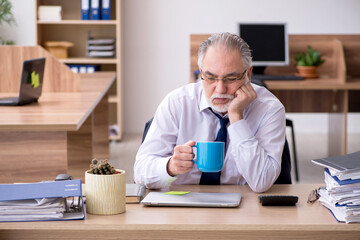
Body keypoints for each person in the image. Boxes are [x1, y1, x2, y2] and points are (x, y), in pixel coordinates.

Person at [134, 32, 286, 193]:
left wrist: (236, 117)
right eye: (211, 77)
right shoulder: (177, 103)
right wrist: (170, 166)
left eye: (231, 78)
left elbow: (261, 181)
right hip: (183, 204)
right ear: (200, 72)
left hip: (242, 206)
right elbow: (140, 171)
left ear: (248, 74)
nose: (220, 89)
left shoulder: (269, 108)